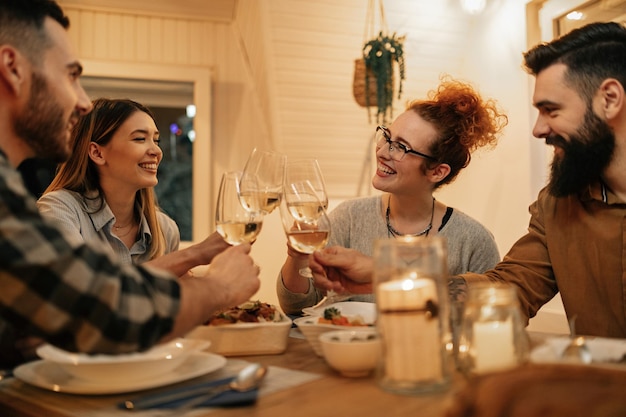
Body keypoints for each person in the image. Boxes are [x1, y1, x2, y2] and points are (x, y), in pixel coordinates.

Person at [308, 22, 626, 339]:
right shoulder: (557, 205)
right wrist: (385, 274)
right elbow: (509, 291)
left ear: (610, 99)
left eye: (551, 110)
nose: (538, 129)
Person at [0, 0, 259, 368]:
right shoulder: (47, 207)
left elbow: (43, 323)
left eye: (155, 139)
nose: (83, 101)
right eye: (70, 75)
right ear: (13, 68)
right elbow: (100, 308)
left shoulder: (161, 226)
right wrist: (218, 286)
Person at [277, 77, 508, 315]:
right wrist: (297, 257)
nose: (382, 151)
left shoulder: (473, 240)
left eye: (401, 147)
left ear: (437, 171)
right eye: (386, 137)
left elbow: (492, 321)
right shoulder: (349, 217)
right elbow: (295, 306)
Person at [37, 98, 230, 278]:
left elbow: (171, 307)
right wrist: (195, 254)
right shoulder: (58, 210)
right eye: (140, 139)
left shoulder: (165, 229)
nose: (157, 151)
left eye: (156, 140)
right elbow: (81, 286)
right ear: (97, 152)